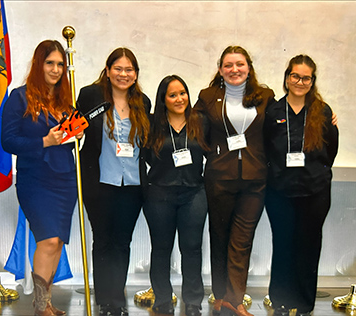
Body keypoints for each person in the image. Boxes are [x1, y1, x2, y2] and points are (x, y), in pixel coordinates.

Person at [2, 40, 83, 316]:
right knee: (47, 240)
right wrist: (44, 141)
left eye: (60, 64)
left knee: (57, 241)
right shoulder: (20, 97)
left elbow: (66, 140)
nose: (57, 69)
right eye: (50, 63)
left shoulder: (65, 102)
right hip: (35, 180)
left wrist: (75, 134)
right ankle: (40, 307)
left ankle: (46, 303)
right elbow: (8, 141)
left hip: (65, 179)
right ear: (39, 64)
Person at [194, 46, 275, 316]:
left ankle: (235, 299)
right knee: (219, 236)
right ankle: (221, 295)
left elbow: (282, 122)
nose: (234, 70)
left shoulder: (265, 96)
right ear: (220, 69)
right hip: (219, 177)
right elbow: (193, 127)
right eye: (228, 65)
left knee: (242, 240)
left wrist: (324, 115)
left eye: (239, 64)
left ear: (248, 67)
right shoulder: (208, 96)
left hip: (254, 179)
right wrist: (212, 153)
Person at [77, 47, 150, 316]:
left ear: (135, 74)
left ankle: (117, 298)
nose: (123, 74)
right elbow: (75, 129)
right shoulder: (90, 95)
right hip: (99, 182)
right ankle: (105, 300)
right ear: (107, 71)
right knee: (103, 241)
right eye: (118, 68)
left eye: (129, 69)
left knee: (122, 242)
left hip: (132, 184)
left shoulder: (143, 102)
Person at [263, 55, 339, 316]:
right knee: (282, 246)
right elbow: (265, 149)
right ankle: (281, 302)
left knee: (308, 247)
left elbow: (331, 152)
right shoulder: (272, 112)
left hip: (314, 192)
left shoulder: (323, 111)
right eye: (295, 76)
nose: (300, 81)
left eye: (306, 78)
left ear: (312, 81)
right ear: (287, 78)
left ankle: (304, 305)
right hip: (279, 193)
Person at [143, 75, 209, 316]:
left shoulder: (200, 121)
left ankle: (192, 302)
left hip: (194, 194)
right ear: (163, 99)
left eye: (183, 93)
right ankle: (162, 299)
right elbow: (146, 156)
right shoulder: (151, 124)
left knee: (192, 248)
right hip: (160, 194)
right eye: (172, 95)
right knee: (161, 249)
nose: (179, 98)